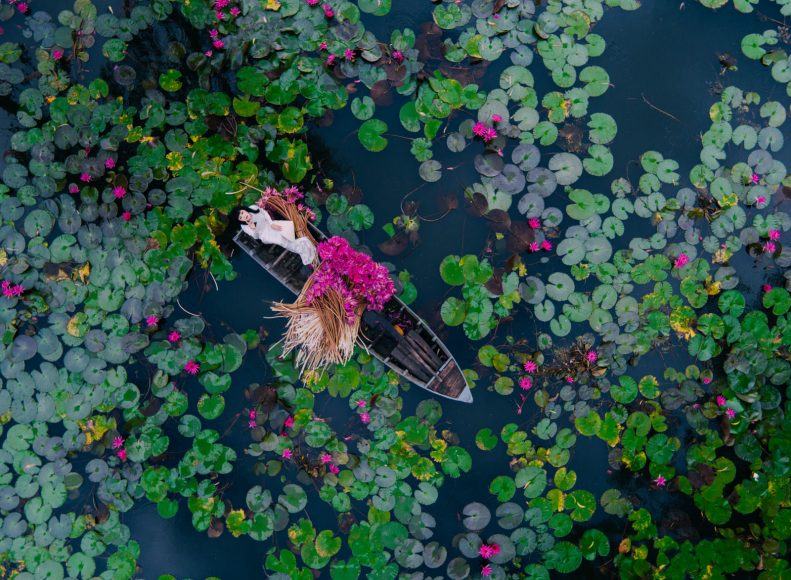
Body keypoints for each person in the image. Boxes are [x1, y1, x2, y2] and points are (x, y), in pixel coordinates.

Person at [239, 205, 317, 265]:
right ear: (240, 220)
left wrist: (271, 223)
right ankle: (301, 250)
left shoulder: (253, 207)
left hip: (269, 225)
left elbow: (264, 212)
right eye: (241, 217)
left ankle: (301, 246)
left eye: (242, 212)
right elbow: (256, 237)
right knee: (281, 241)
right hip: (265, 235)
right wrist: (253, 228)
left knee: (286, 231)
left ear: (244, 209)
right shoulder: (245, 226)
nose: (243, 216)